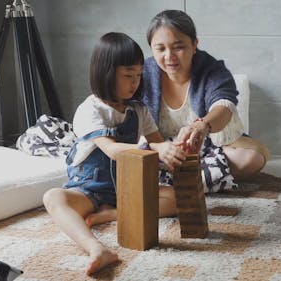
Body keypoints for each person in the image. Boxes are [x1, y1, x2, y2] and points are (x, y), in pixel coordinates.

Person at [42, 32, 186, 276]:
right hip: (89, 189)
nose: (135, 83)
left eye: (139, 75)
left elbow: (159, 146)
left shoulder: (139, 110)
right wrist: (155, 148)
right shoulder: (90, 109)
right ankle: (95, 248)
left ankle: (112, 214)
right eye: (128, 76)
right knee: (54, 198)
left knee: (179, 197)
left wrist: (176, 154)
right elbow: (111, 149)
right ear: (106, 74)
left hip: (129, 188)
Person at [143, 10, 270, 189]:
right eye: (160, 48)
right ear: (151, 48)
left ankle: (173, 184)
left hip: (209, 149)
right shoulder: (142, 74)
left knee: (252, 158)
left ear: (195, 44)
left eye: (178, 47)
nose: (169, 56)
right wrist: (160, 148)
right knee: (125, 161)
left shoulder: (213, 70)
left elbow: (223, 106)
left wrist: (202, 126)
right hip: (161, 150)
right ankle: (198, 182)